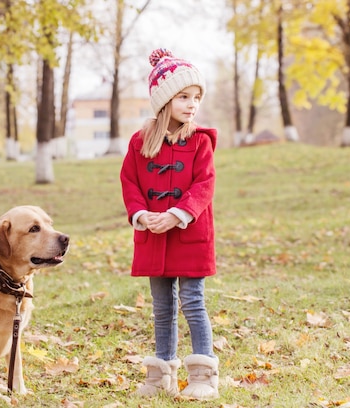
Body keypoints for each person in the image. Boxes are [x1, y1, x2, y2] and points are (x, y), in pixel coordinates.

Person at [120, 48, 219, 400]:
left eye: (196, 97)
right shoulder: (139, 142)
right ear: (163, 100)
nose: (192, 104)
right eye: (183, 96)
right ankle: (161, 372)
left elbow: (204, 185)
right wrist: (141, 215)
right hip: (153, 237)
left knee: (193, 301)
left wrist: (177, 214)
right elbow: (130, 182)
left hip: (189, 233)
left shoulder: (200, 141)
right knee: (162, 307)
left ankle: (203, 374)